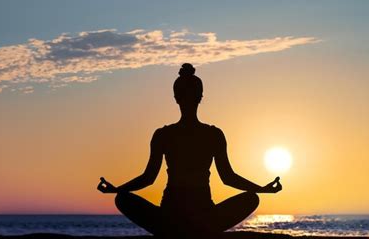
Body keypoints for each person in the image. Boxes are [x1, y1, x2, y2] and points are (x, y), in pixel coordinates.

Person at [98, 63, 282, 238]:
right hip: (201, 216)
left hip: (172, 217)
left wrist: (117, 190)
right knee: (252, 198)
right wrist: (261, 189)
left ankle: (176, 230)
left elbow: (148, 178)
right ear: (200, 97)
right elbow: (228, 177)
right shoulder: (212, 134)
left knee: (122, 199)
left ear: (176, 98)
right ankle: (200, 229)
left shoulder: (165, 134)